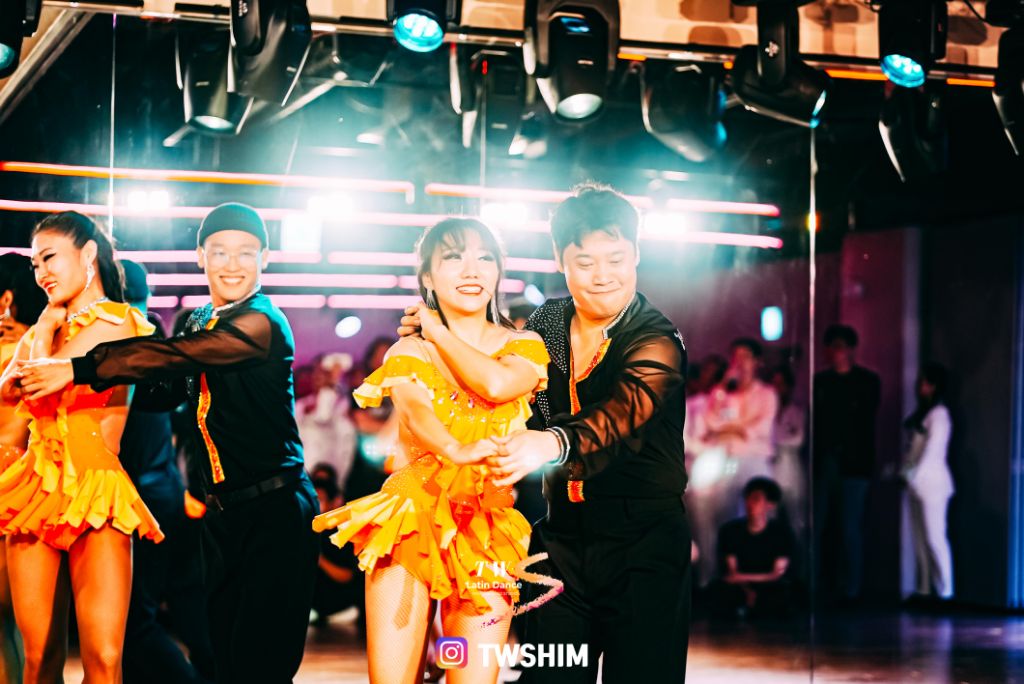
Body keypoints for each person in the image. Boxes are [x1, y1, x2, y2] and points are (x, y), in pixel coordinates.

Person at [16, 203, 320, 684]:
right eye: (219, 252)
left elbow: (178, 355)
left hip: (276, 511)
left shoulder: (263, 322)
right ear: (201, 257)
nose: (232, 264)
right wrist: (109, 383)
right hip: (221, 516)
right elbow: (168, 390)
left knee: (262, 665)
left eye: (246, 253)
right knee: (223, 661)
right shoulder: (198, 319)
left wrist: (77, 368)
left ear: (265, 259)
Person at [469, 184, 690, 683]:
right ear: (559, 258)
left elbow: (622, 416)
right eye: (585, 262)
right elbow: (499, 371)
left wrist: (550, 443)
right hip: (561, 542)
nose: (602, 275)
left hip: (644, 545)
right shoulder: (548, 320)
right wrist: (435, 333)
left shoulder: (657, 339)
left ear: (636, 253)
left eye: (615, 259)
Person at [314, 218, 550, 684]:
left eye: (485, 257)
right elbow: (416, 411)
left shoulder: (523, 345)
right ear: (427, 276)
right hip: (410, 518)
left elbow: (498, 385)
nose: (472, 269)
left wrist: (438, 331)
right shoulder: (408, 351)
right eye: (454, 257)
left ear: (498, 272)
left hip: (487, 525)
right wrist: (454, 448)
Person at [0, 212, 162, 683]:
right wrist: (45, 327)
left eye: (50, 258)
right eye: (35, 264)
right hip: (35, 490)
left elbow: (38, 381)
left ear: (88, 254)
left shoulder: (122, 322)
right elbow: (8, 400)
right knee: (38, 659)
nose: (41, 273)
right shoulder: (47, 326)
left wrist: (41, 331)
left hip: (97, 492)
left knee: (105, 660)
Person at [117, 260, 214, 684]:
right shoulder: (154, 339)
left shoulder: (123, 347)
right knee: (185, 599)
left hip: (142, 498)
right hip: (167, 493)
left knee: (134, 622)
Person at [0, 253, 46, 684]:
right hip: (26, 486)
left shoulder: (16, 353)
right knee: (28, 632)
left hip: (8, 487)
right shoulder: (40, 348)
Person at [813, 324, 881, 602]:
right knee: (822, 524)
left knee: (850, 526)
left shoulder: (867, 381)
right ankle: (821, 583)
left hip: (855, 462)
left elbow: (863, 421)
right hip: (827, 460)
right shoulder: (821, 382)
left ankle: (851, 587)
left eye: (840, 347)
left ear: (851, 350)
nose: (836, 353)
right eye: (832, 347)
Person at [902, 362, 954, 601]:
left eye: (926, 382)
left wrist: (912, 476)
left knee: (935, 538)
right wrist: (906, 476)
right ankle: (924, 589)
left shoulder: (940, 415)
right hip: (916, 484)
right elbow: (913, 453)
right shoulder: (924, 414)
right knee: (920, 540)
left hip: (932, 485)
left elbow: (932, 451)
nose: (921, 386)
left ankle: (945, 591)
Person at [710, 477, 795, 619]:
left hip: (768, 586)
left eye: (756, 499)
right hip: (740, 586)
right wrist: (746, 589)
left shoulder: (781, 533)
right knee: (720, 590)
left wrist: (746, 579)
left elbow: (777, 574)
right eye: (747, 498)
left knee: (783, 593)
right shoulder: (730, 531)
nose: (749, 504)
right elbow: (732, 571)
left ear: (770, 504)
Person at [309, 468, 364, 630]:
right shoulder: (305, 530)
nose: (314, 505)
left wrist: (319, 559)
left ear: (333, 502)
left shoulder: (340, 534)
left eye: (319, 500)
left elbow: (347, 576)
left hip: (339, 601)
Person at [296, 353, 357, 488]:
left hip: (330, 475)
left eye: (323, 372)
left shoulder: (342, 404)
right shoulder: (300, 405)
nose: (317, 376)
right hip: (303, 475)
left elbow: (323, 419)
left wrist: (331, 385)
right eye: (314, 372)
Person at [771, 366, 806, 536]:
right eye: (775, 384)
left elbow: (798, 440)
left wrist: (773, 444)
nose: (778, 389)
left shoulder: (797, 413)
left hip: (791, 471)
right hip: (771, 471)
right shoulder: (767, 412)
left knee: (795, 521)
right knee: (770, 519)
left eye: (781, 384)